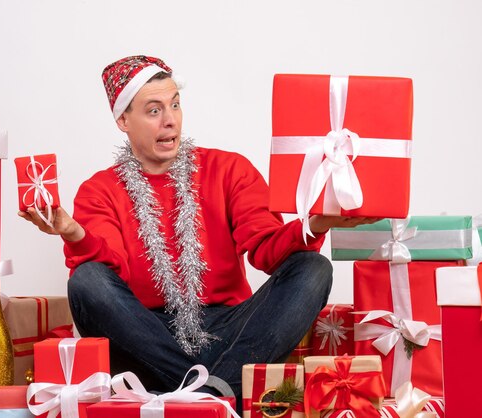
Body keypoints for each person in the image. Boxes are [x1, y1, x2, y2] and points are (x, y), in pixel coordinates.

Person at [19, 55, 377, 406]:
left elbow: (267, 250)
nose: (170, 121)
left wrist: (315, 224)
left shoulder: (229, 169)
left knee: (314, 269)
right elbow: (113, 273)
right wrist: (72, 232)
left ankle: (198, 396)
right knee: (86, 281)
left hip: (233, 329)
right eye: (154, 110)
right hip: (146, 336)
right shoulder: (99, 190)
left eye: (175, 105)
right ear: (123, 120)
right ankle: (220, 392)